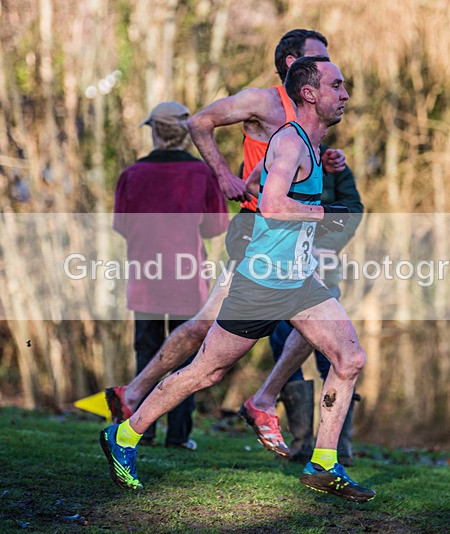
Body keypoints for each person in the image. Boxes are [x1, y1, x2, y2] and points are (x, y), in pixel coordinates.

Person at [100, 57, 376, 502]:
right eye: (337, 86)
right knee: (205, 372)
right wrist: (325, 212)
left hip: (299, 281)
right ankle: (124, 437)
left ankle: (325, 464)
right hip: (263, 284)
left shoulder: (304, 141)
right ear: (310, 93)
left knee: (350, 359)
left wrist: (273, 190)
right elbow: (270, 205)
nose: (345, 95)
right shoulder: (291, 143)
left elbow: (255, 183)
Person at [111, 101, 229, 450]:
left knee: (147, 351)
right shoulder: (202, 174)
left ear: (154, 131)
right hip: (187, 278)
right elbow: (215, 226)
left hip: (145, 276)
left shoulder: (132, 174)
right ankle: (179, 436)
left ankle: (142, 431)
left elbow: (122, 226)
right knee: (187, 356)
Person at [257, 155, 363, 466]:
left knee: (333, 351)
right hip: (278, 266)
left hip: (323, 265)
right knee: (282, 342)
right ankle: (301, 442)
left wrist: (324, 244)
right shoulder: (269, 159)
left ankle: (339, 446)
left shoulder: (332, 162)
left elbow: (352, 209)